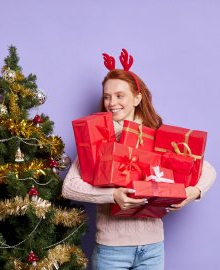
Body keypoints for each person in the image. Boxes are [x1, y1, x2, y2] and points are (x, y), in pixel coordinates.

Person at [62, 49, 216, 270]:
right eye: (107, 96)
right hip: (111, 250)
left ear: (137, 98)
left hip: (152, 248)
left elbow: (207, 168)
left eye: (119, 95)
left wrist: (193, 192)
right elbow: (70, 187)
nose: (111, 102)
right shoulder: (99, 137)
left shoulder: (157, 136)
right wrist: (112, 195)